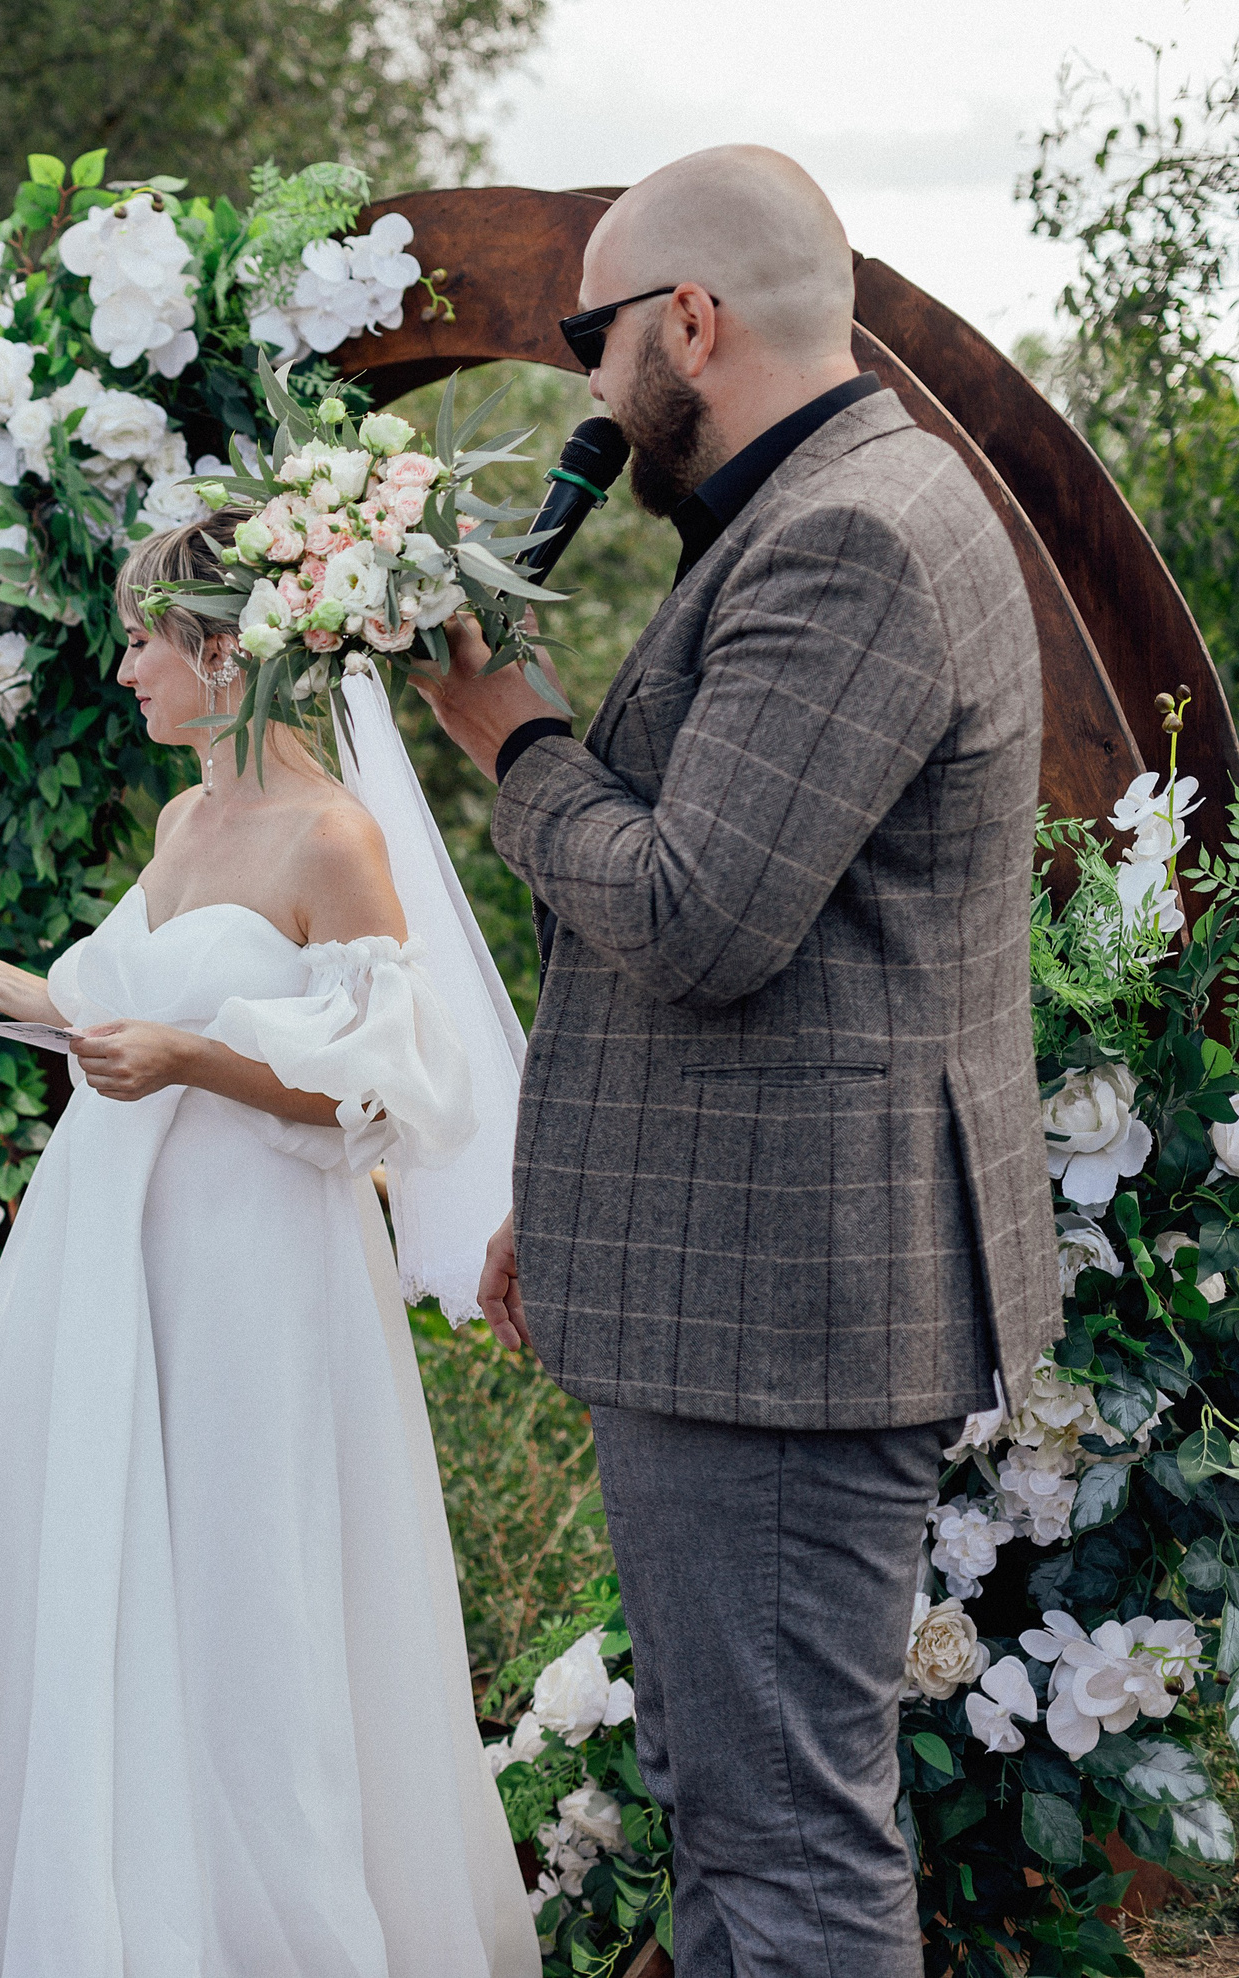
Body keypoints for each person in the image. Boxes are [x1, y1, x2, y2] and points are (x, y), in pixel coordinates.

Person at [411, 146, 1058, 1978]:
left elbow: (697, 913)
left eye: (591, 334)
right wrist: (579, 1208)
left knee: (781, 1841)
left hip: (791, 1312)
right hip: (747, 1276)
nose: (587, 379)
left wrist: (513, 736)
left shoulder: (853, 532)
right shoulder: (819, 514)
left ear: (689, 319)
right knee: (739, 1794)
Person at [0, 509, 539, 1978]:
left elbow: (397, 1087)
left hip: (254, 1266)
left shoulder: (332, 834)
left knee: (242, 1576)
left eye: (148, 634)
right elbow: (117, 1017)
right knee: (120, 1565)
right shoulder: (184, 822)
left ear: (225, 650)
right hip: (111, 1252)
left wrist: (199, 1060)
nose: (127, 662)